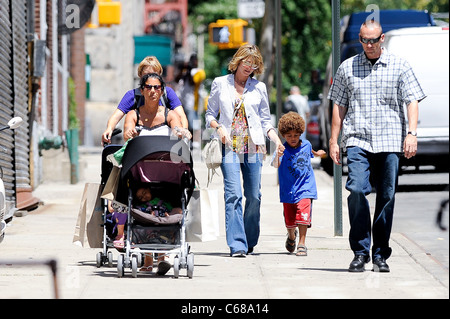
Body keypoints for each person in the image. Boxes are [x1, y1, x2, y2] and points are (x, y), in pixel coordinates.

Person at [328, 20, 426, 272]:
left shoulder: (400, 65)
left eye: (373, 40)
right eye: (364, 40)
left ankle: (380, 253)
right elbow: (339, 105)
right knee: (357, 190)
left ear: (382, 38)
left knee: (386, 197)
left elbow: (412, 100)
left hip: (391, 140)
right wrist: (333, 140)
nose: (368, 45)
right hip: (358, 140)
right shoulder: (347, 67)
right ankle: (360, 252)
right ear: (359, 39)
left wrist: (412, 133)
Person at [205, 44, 284, 257]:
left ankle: (249, 239)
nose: (250, 67)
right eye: (247, 62)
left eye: (254, 64)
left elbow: (265, 120)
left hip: (253, 147)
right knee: (233, 194)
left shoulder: (259, 88)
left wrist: (276, 140)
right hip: (229, 146)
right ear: (238, 61)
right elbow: (210, 115)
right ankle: (237, 244)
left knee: (254, 196)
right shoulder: (220, 83)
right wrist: (219, 128)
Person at [272, 112, 326, 256]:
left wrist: (319, 153)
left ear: (301, 133)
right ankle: (291, 236)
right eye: (289, 136)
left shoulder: (307, 144)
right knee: (290, 221)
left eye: (296, 135)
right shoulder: (282, 149)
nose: (293, 139)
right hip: (288, 190)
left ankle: (302, 243)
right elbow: (275, 164)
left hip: (306, 187)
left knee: (303, 215)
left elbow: (312, 152)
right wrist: (278, 155)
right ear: (283, 135)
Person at [101, 56, 188, 144]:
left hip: (164, 142)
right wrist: (109, 129)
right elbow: (116, 116)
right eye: (146, 75)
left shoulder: (167, 93)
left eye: (154, 75)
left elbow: (181, 115)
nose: (153, 90)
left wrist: (183, 133)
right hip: (140, 143)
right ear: (140, 75)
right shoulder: (132, 96)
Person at [123, 73, 191, 141]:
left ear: (161, 92)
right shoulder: (133, 115)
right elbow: (126, 136)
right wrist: (130, 134)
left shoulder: (170, 115)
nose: (152, 91)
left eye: (157, 87)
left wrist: (182, 132)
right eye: (148, 87)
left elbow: (177, 131)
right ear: (142, 91)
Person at [133, 186, 181, 275]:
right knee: (146, 240)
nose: (143, 197)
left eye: (144, 193)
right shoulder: (142, 206)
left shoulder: (160, 201)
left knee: (163, 239)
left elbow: (170, 209)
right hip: (148, 225)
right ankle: (148, 261)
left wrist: (168, 213)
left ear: (149, 189)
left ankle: (161, 260)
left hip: (163, 224)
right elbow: (139, 213)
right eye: (140, 197)